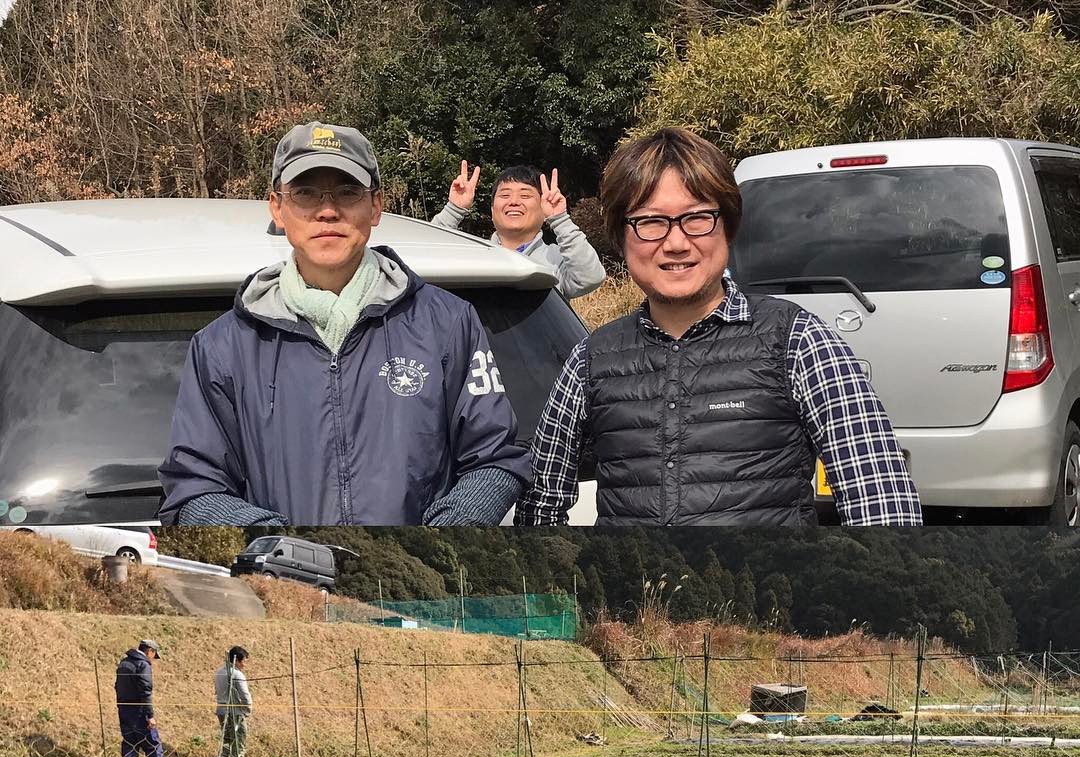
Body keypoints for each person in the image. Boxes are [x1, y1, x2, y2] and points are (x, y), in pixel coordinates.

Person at [515, 127, 923, 527]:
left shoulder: (798, 341)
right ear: (621, 238)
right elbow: (540, 503)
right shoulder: (591, 358)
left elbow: (881, 501)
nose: (675, 243)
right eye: (650, 221)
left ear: (728, 226)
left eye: (698, 218)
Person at [158, 122, 531, 526]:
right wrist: (271, 544)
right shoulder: (222, 346)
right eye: (304, 192)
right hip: (282, 581)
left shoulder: (448, 322)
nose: (327, 210)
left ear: (375, 207)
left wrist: (446, 535)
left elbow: (495, 457)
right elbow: (194, 487)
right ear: (277, 208)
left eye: (348, 191)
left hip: (418, 581)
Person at [432, 161, 606, 299]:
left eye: (525, 195)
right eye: (505, 195)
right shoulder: (473, 254)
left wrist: (560, 219)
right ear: (492, 210)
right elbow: (425, 259)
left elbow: (590, 278)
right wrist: (454, 209)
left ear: (543, 209)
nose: (514, 201)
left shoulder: (556, 259)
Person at [115, 639, 176, 757]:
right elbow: (146, 691)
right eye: (154, 656)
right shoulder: (143, 665)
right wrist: (150, 716)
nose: (153, 660)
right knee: (152, 744)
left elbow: (117, 687)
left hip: (124, 709)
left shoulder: (124, 663)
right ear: (150, 651)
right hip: (140, 711)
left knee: (130, 744)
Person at [212, 645, 252, 757]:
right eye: (244, 661)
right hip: (235, 712)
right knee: (239, 743)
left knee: (227, 739)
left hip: (221, 710)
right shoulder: (237, 675)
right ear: (237, 661)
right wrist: (247, 710)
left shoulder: (219, 672)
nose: (245, 665)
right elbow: (245, 696)